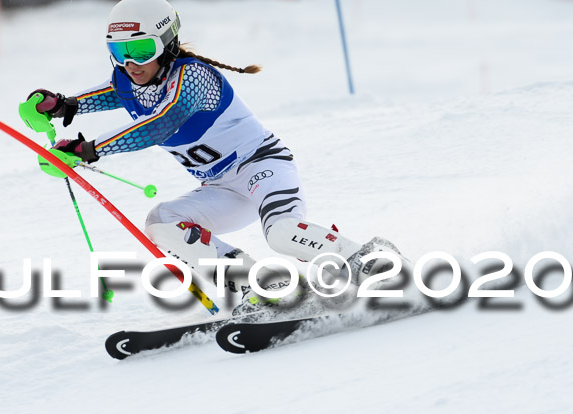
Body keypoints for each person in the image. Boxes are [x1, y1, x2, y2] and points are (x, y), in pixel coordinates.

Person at [26, 0, 402, 312]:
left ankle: (370, 263)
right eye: (119, 52)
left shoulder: (194, 78)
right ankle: (267, 287)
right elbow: (113, 93)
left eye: (141, 49)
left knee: (281, 233)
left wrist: (89, 150)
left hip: (262, 167)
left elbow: (158, 125)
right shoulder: (129, 78)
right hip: (222, 188)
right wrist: (61, 105)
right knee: (161, 223)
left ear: (167, 43)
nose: (131, 63)